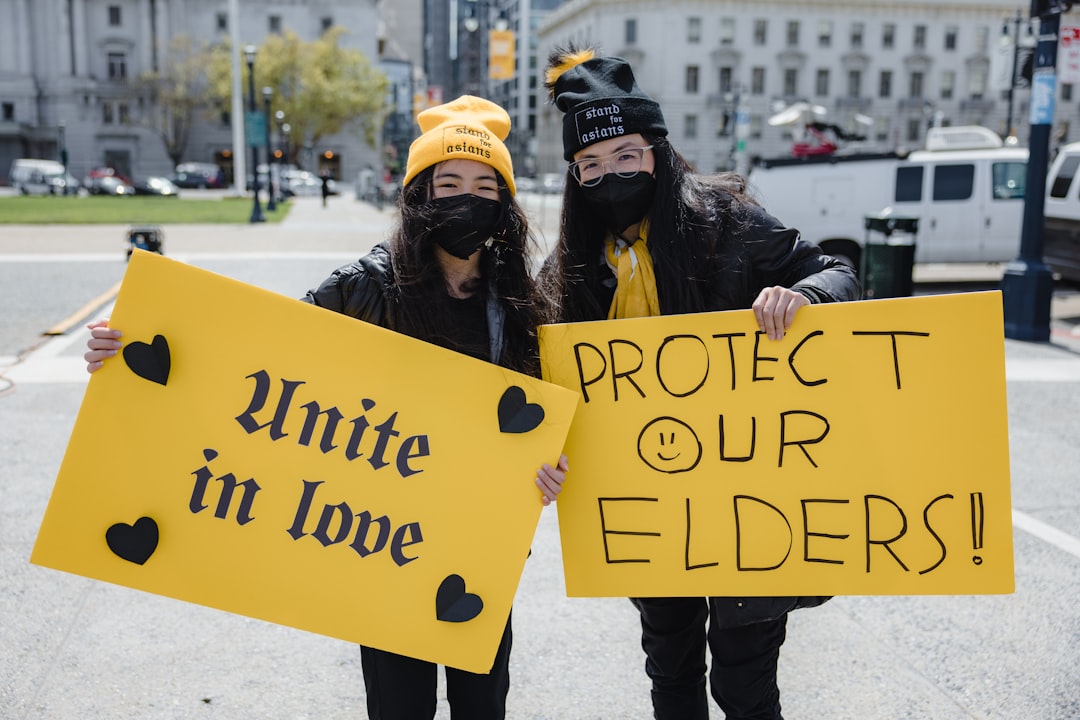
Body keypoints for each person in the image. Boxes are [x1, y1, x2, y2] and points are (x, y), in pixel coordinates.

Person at [84, 95, 569, 720]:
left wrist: (551, 468)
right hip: (382, 539)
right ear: (419, 196)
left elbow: (547, 416)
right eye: (448, 183)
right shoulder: (365, 286)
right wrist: (126, 350)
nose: (466, 199)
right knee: (398, 705)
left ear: (505, 205)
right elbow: (258, 363)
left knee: (484, 702)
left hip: (479, 541)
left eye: (485, 186)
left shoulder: (523, 301)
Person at [542, 46, 862, 720]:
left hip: (749, 497)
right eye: (590, 165)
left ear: (655, 152)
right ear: (575, 175)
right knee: (671, 670)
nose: (610, 175)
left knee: (744, 684)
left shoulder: (727, 221)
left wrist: (801, 295)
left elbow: (836, 270)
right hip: (649, 507)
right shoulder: (573, 263)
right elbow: (539, 371)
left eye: (625, 156)